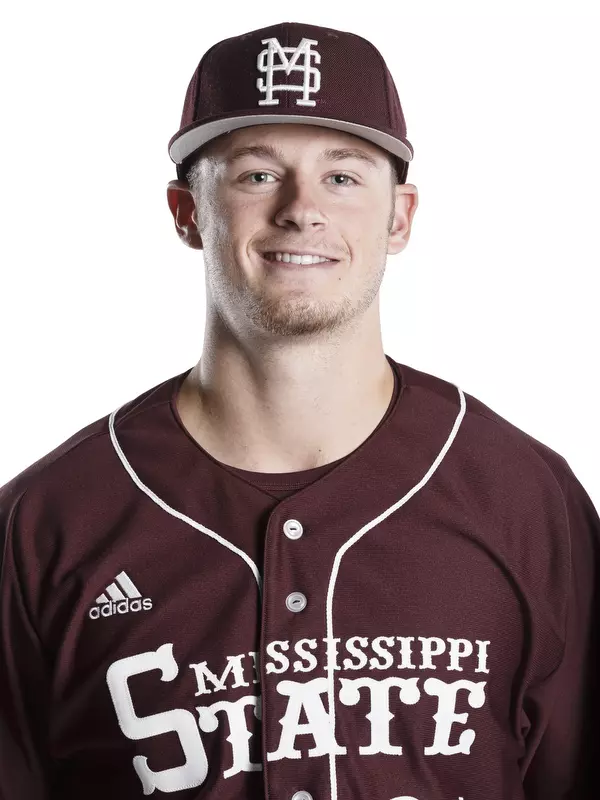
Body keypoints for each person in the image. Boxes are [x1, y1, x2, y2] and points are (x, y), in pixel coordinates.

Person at [0, 19, 598, 800]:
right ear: (187, 212)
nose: (300, 209)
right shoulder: (48, 525)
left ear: (401, 216)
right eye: (255, 175)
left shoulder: (524, 499)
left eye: (344, 177)